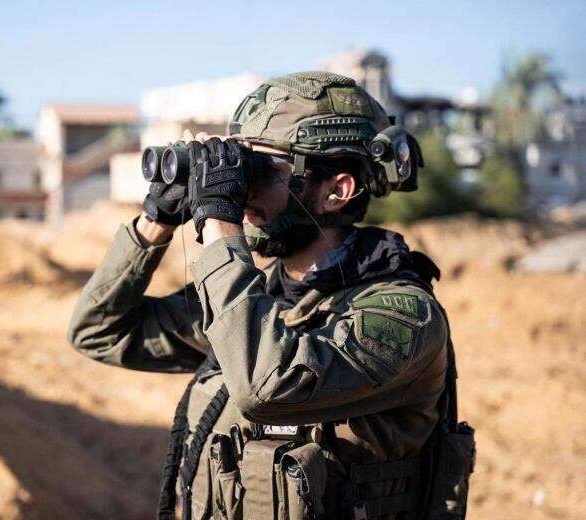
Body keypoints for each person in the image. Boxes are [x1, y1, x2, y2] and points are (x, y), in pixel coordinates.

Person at [68, 71, 474, 520]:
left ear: (336, 191)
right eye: (239, 166)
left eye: (263, 170)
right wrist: (157, 217)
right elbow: (99, 331)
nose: (242, 189)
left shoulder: (404, 318)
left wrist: (219, 223)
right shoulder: (266, 300)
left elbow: (266, 386)